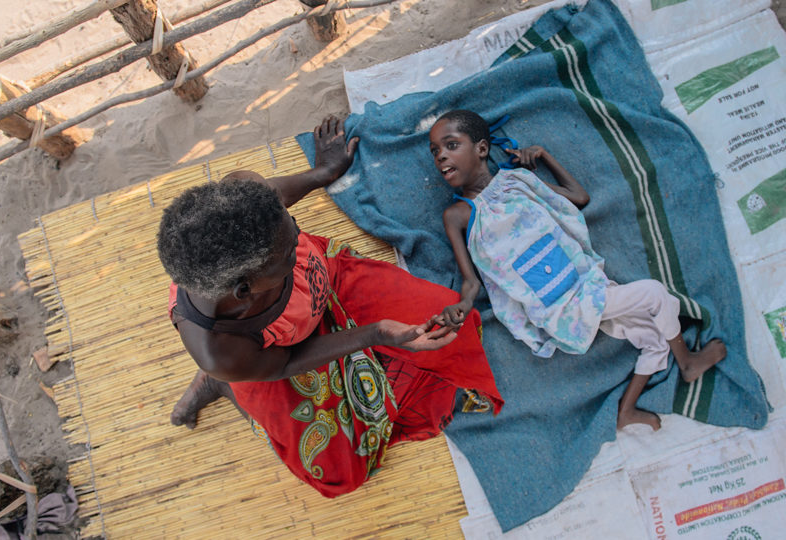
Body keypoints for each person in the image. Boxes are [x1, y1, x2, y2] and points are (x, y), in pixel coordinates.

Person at [157, 116, 502, 497]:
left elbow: (275, 199)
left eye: (291, 224)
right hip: (280, 353)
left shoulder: (244, 200)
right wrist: (376, 334)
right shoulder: (220, 347)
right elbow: (287, 362)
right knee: (338, 472)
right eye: (288, 252)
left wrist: (324, 172)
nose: (297, 238)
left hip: (328, 283)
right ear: (246, 289)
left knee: (452, 324)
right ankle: (225, 386)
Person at [430, 109, 725, 430]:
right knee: (655, 295)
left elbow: (578, 198)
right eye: (435, 152)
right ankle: (687, 360)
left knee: (651, 337)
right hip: (556, 306)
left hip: (586, 282)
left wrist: (543, 154)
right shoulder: (458, 215)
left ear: (482, 149)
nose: (441, 156)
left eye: (450, 145)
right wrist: (462, 304)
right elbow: (472, 281)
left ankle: (626, 410)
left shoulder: (519, 181)